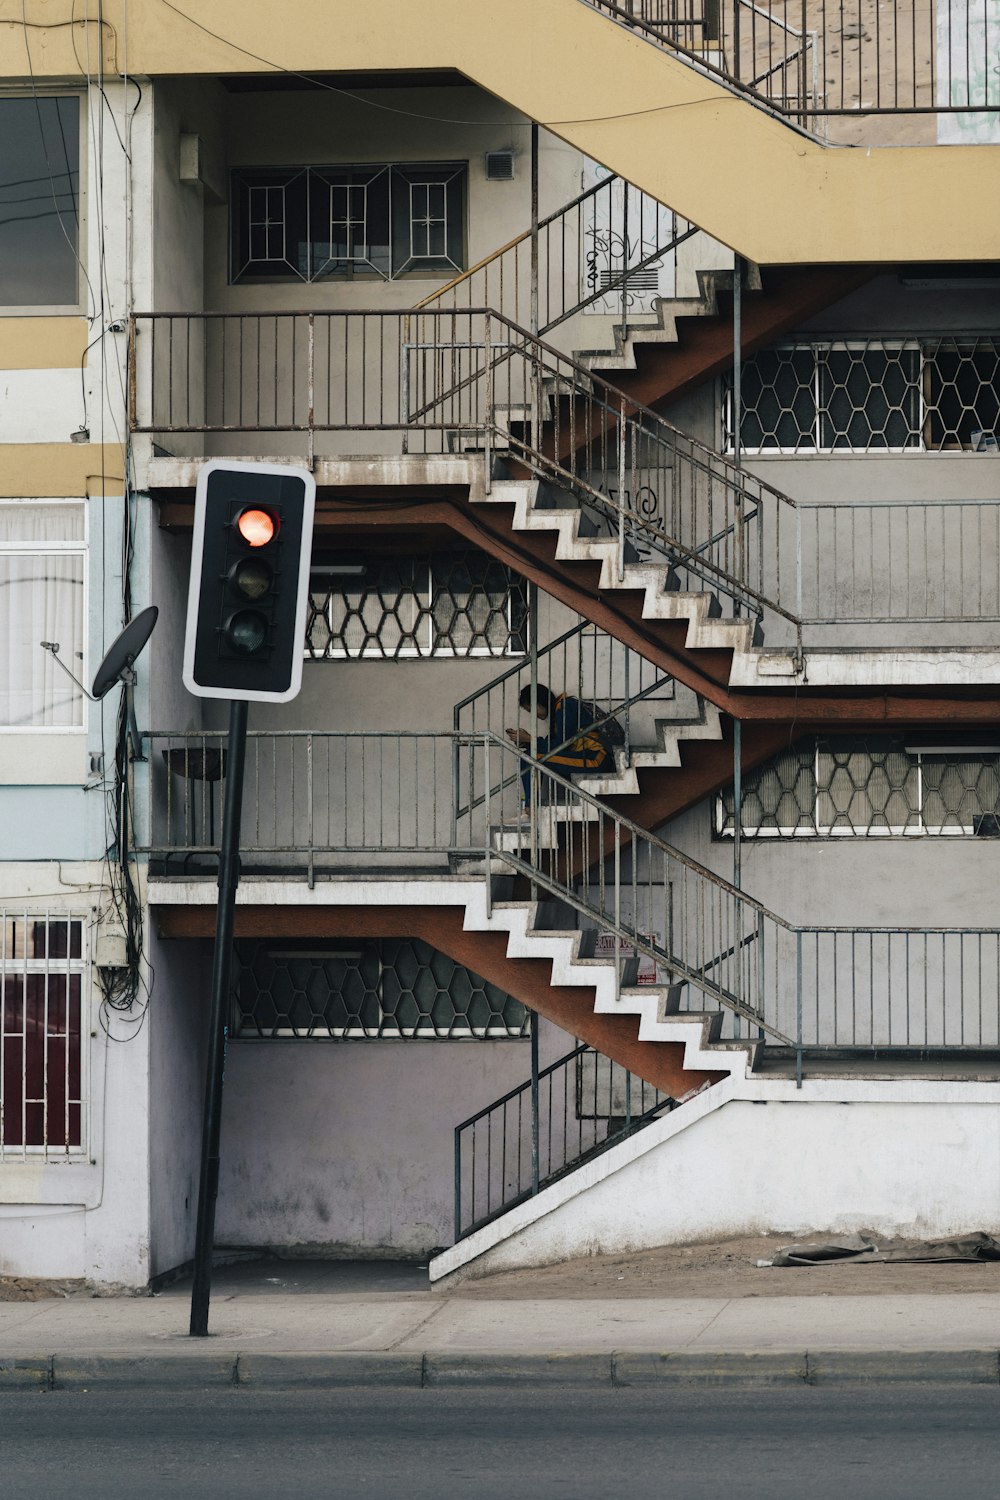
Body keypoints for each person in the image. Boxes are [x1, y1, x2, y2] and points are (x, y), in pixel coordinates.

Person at [506, 684, 611, 807]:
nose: (534, 715)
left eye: (532, 710)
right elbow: (552, 746)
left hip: (596, 759)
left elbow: (561, 746)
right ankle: (530, 806)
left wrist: (530, 739)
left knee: (529, 757)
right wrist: (527, 742)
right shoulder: (557, 713)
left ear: (539, 701)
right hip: (585, 756)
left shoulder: (566, 706)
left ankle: (530, 807)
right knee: (528, 755)